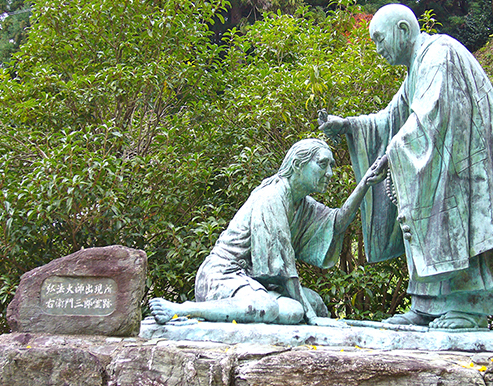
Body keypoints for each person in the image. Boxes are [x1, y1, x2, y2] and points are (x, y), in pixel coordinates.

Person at [319, 4, 493, 330]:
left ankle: (468, 307)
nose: (378, 48)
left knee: (452, 221)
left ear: (402, 30)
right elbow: (391, 120)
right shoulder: (417, 68)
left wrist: (392, 154)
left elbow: (431, 115)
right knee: (425, 212)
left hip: (464, 162)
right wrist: (348, 125)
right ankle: (428, 306)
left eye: (380, 39)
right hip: (449, 158)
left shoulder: (439, 55)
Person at [150, 138, 387, 326]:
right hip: (222, 275)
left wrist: (365, 183)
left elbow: (336, 222)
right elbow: (283, 262)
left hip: (253, 281)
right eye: (323, 164)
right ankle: (182, 310)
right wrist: (311, 318)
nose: (329, 174)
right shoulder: (272, 196)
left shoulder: (302, 203)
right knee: (275, 308)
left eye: (331, 166)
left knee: (310, 304)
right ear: (297, 165)